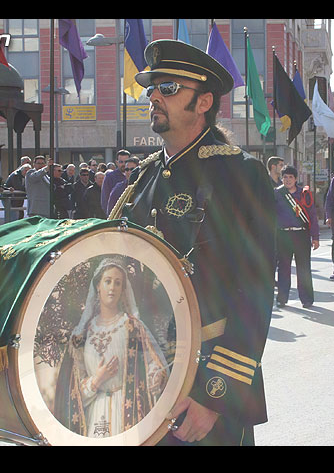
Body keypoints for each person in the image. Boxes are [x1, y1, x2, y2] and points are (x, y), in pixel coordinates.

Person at [114, 39, 276, 445]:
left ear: (204, 102)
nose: (153, 96)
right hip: (141, 381)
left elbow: (255, 292)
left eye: (168, 88)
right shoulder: (145, 178)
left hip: (202, 387)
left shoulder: (240, 175)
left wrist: (215, 394)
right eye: (153, 88)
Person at [53, 258, 169, 437]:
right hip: (95, 415)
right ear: (98, 286)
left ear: (123, 290)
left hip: (128, 412)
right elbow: (73, 392)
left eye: (118, 283)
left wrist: (156, 377)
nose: (112, 288)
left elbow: (152, 363)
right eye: (107, 281)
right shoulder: (82, 335)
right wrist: (97, 380)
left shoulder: (132, 326)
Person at [274, 165, 319, 308]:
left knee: (304, 268)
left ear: (295, 179)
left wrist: (315, 236)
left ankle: (306, 299)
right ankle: (282, 298)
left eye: (290, 177)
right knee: (283, 268)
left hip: (301, 234)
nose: (287, 180)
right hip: (283, 234)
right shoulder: (277, 194)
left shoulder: (304, 194)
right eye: (285, 177)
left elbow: (312, 215)